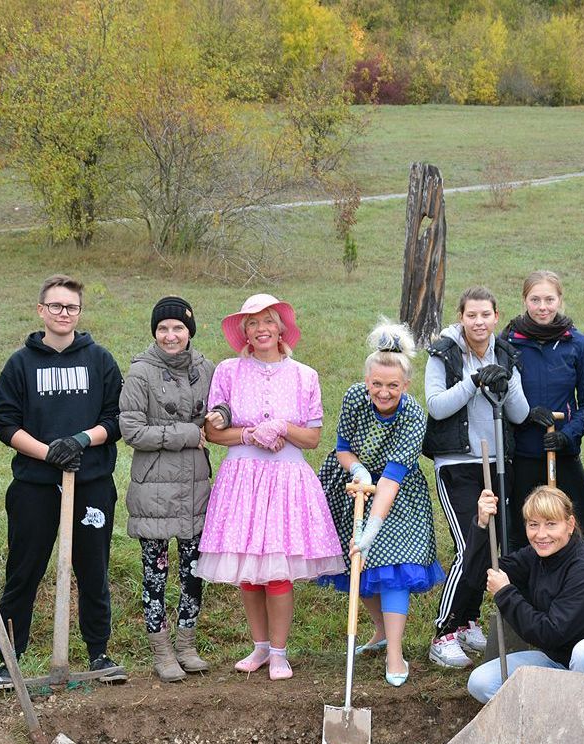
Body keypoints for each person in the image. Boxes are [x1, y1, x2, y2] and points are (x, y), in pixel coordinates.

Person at [196, 294, 345, 680]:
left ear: (281, 329)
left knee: (277, 570)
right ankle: (259, 647)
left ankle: (279, 651)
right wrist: (249, 433)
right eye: (252, 323)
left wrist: (282, 427)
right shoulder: (228, 371)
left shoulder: (304, 375)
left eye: (268, 321)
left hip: (285, 479)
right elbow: (214, 431)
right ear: (244, 331)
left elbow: (312, 438)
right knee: (249, 569)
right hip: (242, 478)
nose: (261, 329)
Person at [0, 274, 127, 690]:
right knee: (23, 571)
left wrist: (82, 440)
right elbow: (4, 421)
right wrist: (48, 451)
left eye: (71, 307)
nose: (63, 313)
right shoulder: (21, 363)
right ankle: (9, 659)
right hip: (34, 485)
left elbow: (116, 418)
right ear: (41, 310)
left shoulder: (99, 360)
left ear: (79, 312)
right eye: (55, 306)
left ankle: (98, 652)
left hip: (92, 484)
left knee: (93, 568)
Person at [319, 321, 444, 686]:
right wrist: (358, 469)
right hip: (352, 485)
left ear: (406, 385)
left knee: (393, 567)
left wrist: (372, 528)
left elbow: (391, 478)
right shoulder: (354, 398)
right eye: (377, 384)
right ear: (366, 379)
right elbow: (343, 447)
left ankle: (395, 653)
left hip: (397, 491)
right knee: (356, 563)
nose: (383, 392)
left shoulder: (412, 415)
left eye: (392, 386)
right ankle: (379, 632)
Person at [466, 486, 584, 703]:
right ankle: (556, 719)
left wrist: (506, 593)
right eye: (533, 525)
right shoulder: (537, 555)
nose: (541, 534)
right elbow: (479, 576)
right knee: (482, 682)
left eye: (551, 524)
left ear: (570, 525)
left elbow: (549, 633)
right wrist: (481, 525)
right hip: (562, 661)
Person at [424, 286, 530, 669]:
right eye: (472, 315)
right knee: (470, 543)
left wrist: (505, 382)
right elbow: (436, 407)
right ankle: (444, 631)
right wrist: (474, 382)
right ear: (462, 317)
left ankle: (467, 620)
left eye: (486, 315)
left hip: (498, 460)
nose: (479, 322)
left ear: (496, 316)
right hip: (457, 464)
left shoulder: (506, 353)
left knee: (490, 547)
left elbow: (519, 413)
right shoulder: (444, 353)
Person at [119, 296, 216, 681]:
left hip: (195, 486)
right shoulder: (141, 372)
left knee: (194, 571)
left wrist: (219, 415)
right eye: (163, 329)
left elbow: (220, 407)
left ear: (189, 331)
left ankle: (187, 644)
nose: (170, 335)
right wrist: (189, 432)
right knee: (155, 575)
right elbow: (131, 429)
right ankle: (161, 651)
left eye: (178, 328)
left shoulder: (206, 368)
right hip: (154, 490)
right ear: (154, 332)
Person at [504, 271, 584, 549]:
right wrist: (525, 414)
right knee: (524, 532)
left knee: (581, 530)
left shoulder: (577, 344)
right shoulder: (509, 342)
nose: (542, 306)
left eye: (549, 299)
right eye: (535, 299)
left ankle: (576, 584)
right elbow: (501, 397)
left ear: (560, 300)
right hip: (524, 453)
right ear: (524, 301)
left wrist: (567, 435)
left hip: (563, 453)